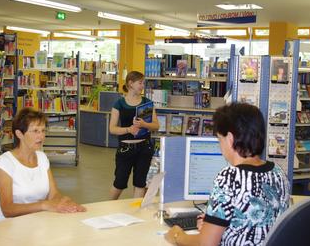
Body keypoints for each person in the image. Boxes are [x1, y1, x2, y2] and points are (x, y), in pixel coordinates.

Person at [165, 103, 290, 246]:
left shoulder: (229, 177)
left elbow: (206, 244)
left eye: (219, 139)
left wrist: (177, 235)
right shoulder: (278, 173)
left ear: (230, 139)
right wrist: (213, 224)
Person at [0, 108, 86, 223]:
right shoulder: (5, 162)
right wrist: (44, 205)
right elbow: (7, 209)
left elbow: (53, 194)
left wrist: (64, 202)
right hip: (4, 226)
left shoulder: (42, 158)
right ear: (19, 134)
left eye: (43, 131)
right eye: (35, 131)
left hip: (34, 223)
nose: (41, 136)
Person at [109, 71, 159, 200]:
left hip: (144, 148)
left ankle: (137, 211)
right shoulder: (119, 104)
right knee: (119, 182)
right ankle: (108, 207)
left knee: (140, 182)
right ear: (130, 83)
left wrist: (144, 124)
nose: (143, 85)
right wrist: (129, 130)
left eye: (143, 83)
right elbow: (112, 129)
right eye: (140, 83)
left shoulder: (147, 103)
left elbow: (156, 126)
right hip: (125, 149)